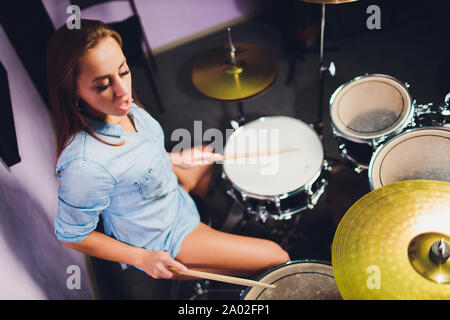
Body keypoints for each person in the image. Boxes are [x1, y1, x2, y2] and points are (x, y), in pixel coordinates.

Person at [46, 19, 289, 281]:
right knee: (278, 258)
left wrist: (175, 157)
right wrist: (141, 258)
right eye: (103, 85)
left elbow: (135, 155)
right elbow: (72, 235)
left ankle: (209, 227)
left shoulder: (120, 106)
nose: (122, 91)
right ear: (73, 91)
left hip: (166, 193)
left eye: (124, 71)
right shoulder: (84, 166)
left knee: (206, 153)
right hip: (160, 234)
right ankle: (203, 246)